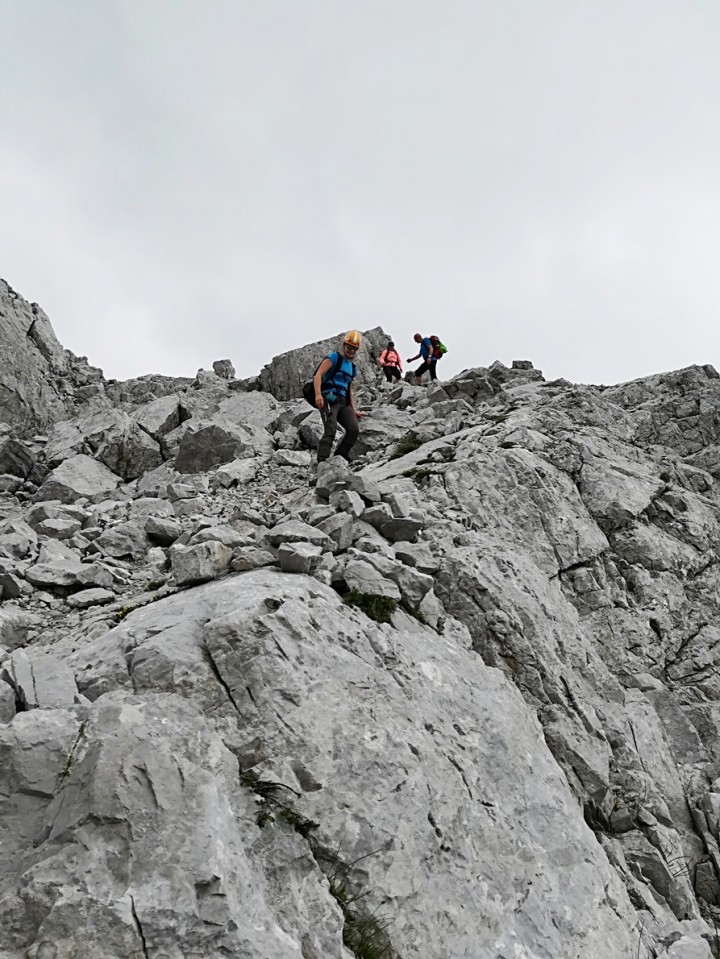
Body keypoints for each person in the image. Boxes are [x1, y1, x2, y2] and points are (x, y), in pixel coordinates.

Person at [314, 330, 367, 462]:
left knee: (353, 429)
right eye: (349, 347)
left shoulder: (352, 368)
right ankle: (322, 462)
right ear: (344, 345)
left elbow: (349, 389)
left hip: (343, 401)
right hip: (329, 397)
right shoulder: (334, 358)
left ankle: (340, 457)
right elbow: (318, 375)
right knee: (330, 430)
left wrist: (353, 409)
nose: (351, 351)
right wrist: (318, 394)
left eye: (354, 349)